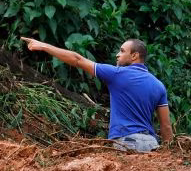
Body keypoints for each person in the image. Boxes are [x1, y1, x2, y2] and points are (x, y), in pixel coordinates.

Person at [21, 36, 173, 152]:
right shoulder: (159, 85)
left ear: (134, 56)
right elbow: (166, 126)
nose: (117, 55)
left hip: (127, 142)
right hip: (152, 145)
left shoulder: (116, 74)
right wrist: (169, 155)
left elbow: (77, 60)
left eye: (122, 51)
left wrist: (43, 46)